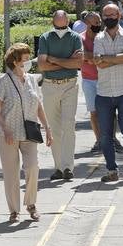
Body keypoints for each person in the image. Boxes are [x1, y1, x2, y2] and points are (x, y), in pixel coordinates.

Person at [0, 43, 52, 223]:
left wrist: (47, 127)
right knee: (11, 173)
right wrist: (4, 127)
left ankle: (31, 204)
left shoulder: (32, 79)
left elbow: (39, 105)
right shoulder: (4, 81)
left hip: (29, 131)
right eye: (24, 59)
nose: (28, 62)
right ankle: (14, 210)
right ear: (15, 61)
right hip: (8, 134)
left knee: (33, 167)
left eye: (28, 58)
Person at [93, 3, 123, 182]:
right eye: (106, 15)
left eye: (112, 15)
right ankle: (112, 170)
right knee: (105, 136)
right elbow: (99, 63)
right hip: (104, 93)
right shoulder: (98, 38)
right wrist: (119, 59)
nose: (109, 18)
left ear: (119, 16)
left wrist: (106, 58)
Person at [36, 10, 83, 181]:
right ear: (52, 22)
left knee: (69, 126)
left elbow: (78, 63)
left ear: (68, 21)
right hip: (50, 86)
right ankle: (58, 167)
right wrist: (66, 62)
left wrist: (53, 60)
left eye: (63, 24)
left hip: (70, 84)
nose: (60, 27)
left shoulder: (75, 37)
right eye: (57, 23)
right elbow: (42, 66)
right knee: (53, 128)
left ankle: (68, 167)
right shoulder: (46, 37)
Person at [80, 12, 102, 151]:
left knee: (109, 111)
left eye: (99, 22)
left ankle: (110, 138)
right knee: (94, 112)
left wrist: (90, 58)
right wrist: (99, 58)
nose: (98, 25)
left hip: (105, 79)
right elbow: (82, 56)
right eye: (95, 23)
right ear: (87, 24)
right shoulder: (80, 38)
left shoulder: (104, 37)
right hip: (88, 80)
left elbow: (109, 55)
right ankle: (99, 140)